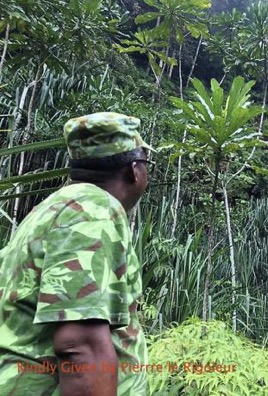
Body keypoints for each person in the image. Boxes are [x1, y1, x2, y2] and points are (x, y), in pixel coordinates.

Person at [0, 112, 154, 395]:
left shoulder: (51, 208)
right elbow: (80, 346)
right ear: (134, 169)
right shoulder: (93, 210)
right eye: (147, 164)